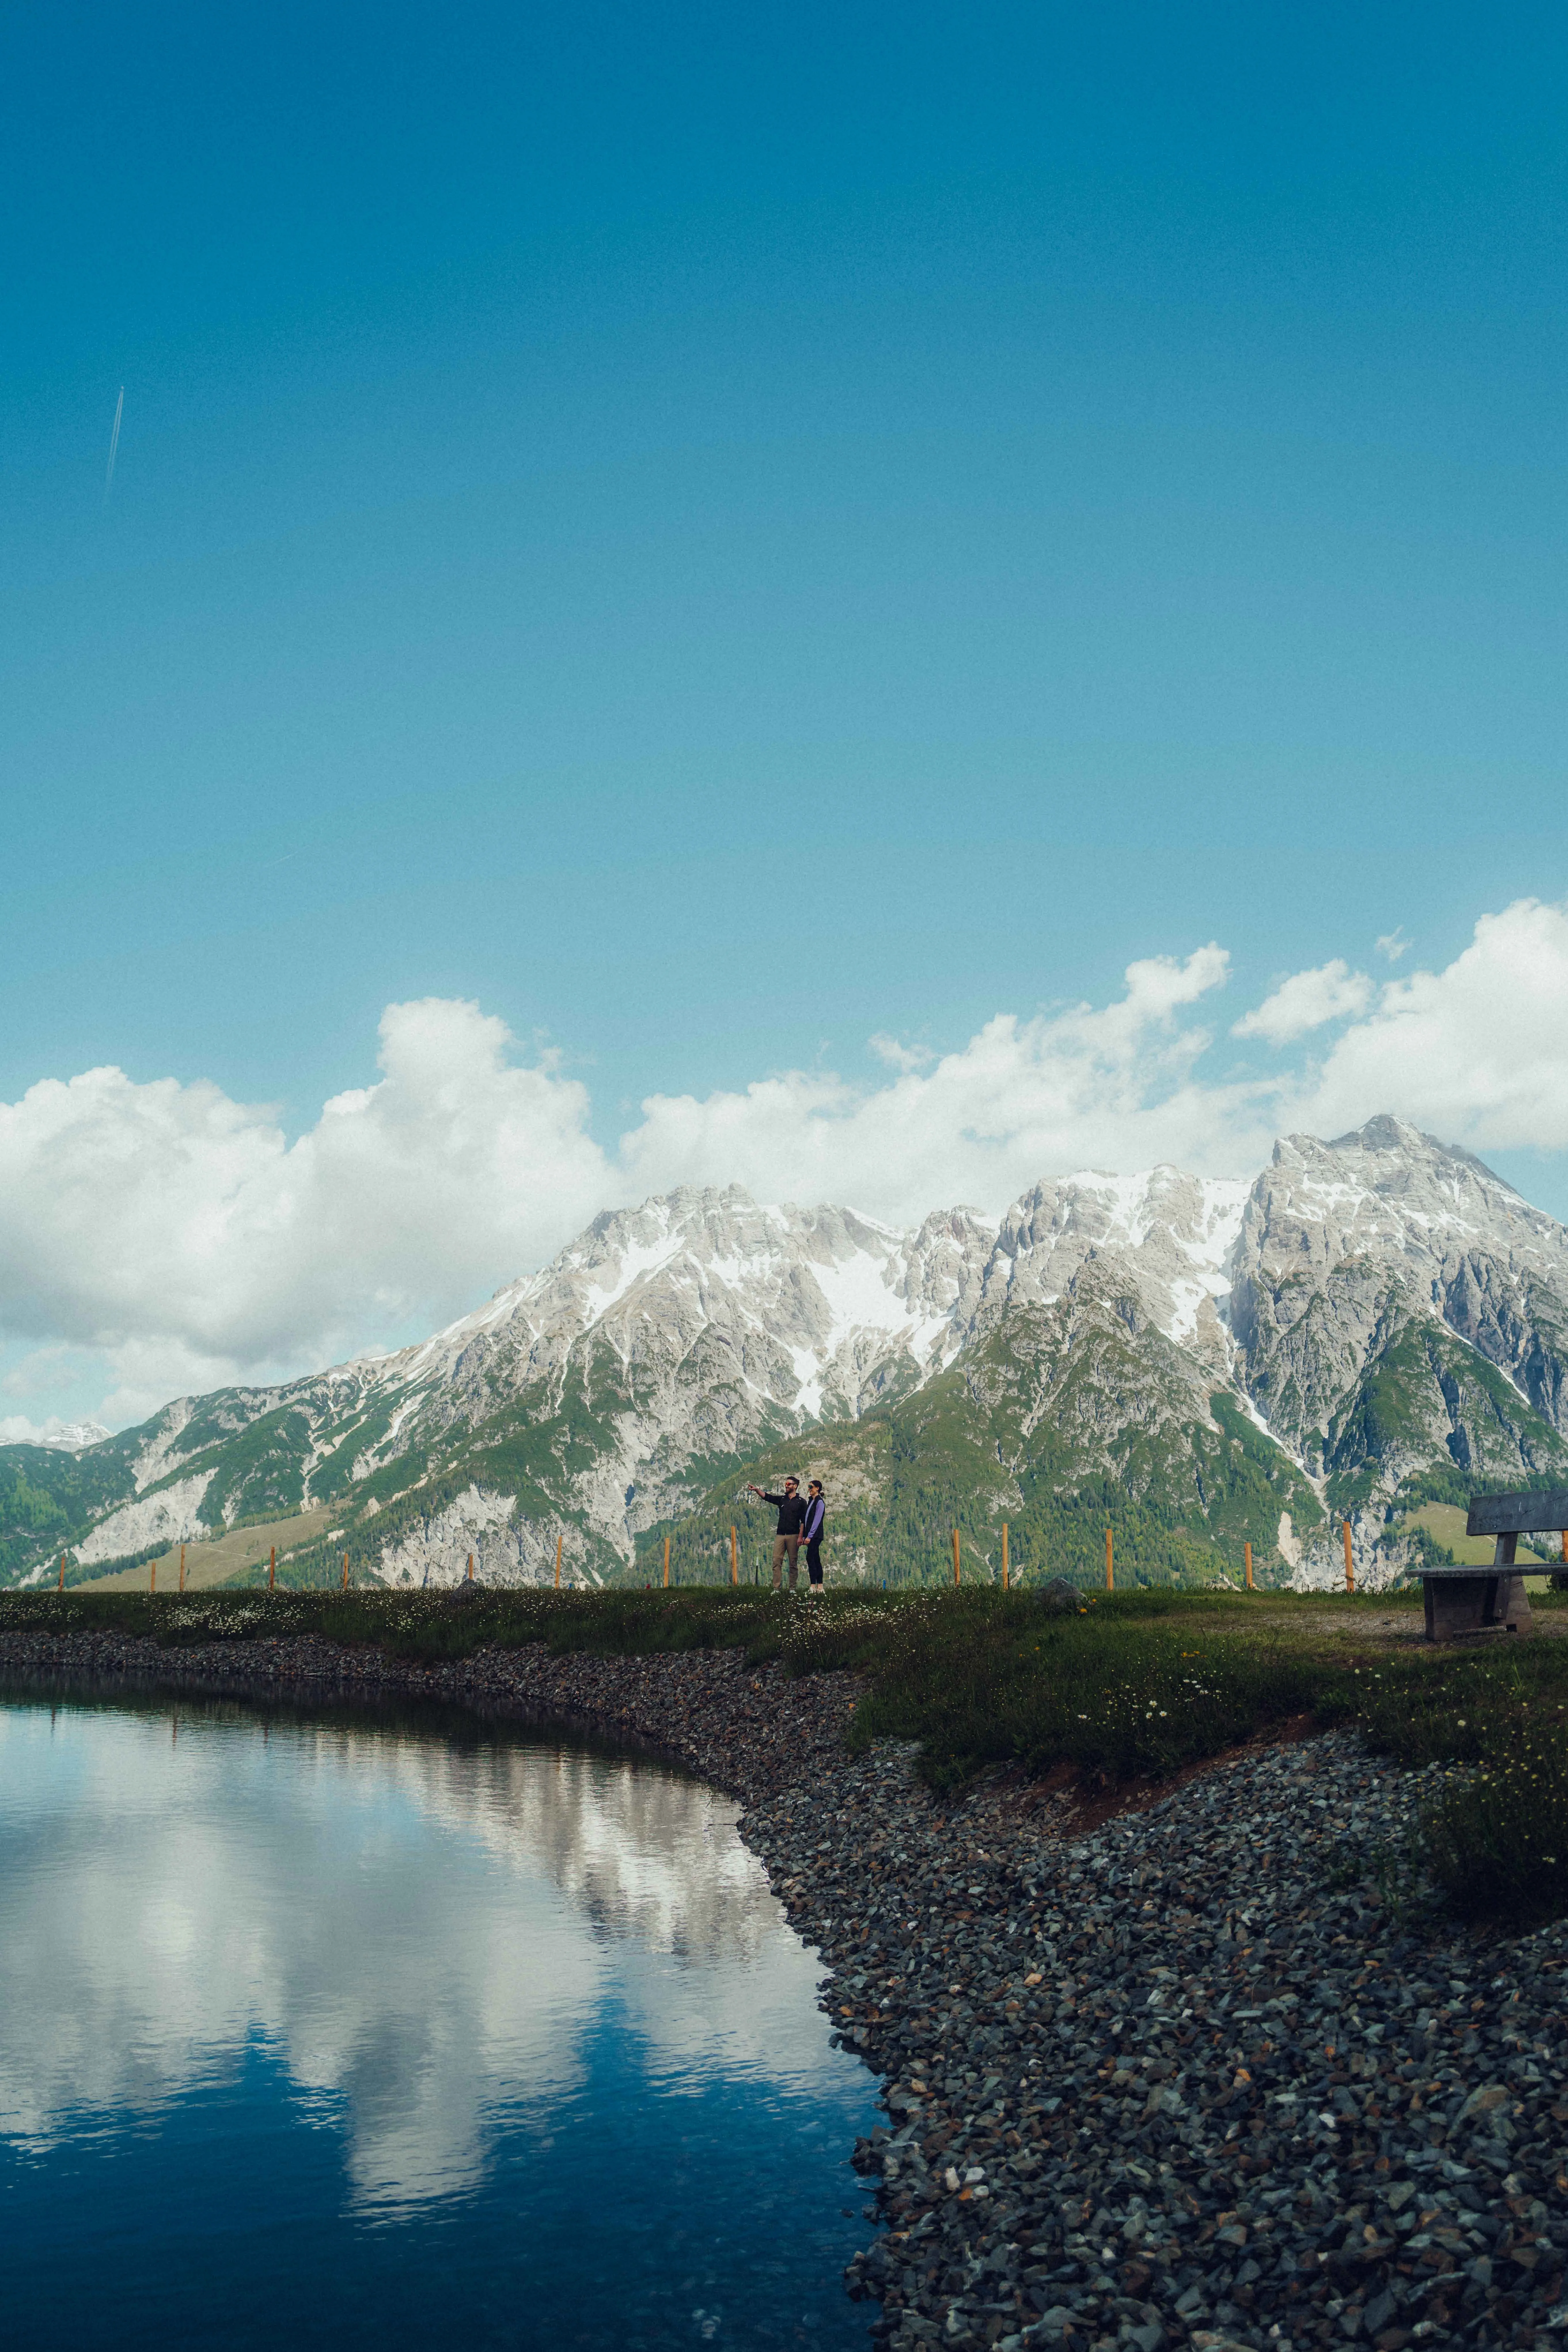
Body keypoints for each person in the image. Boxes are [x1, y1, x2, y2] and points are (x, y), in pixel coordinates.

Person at [748, 1475, 808, 1591]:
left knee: (793, 1563)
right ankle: (777, 1588)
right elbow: (768, 1497)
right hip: (780, 1535)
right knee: (776, 1561)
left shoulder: (802, 1502)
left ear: (795, 1486)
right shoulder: (782, 1499)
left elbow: (803, 1521)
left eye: (789, 1484)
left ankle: (792, 1589)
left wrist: (801, 1537)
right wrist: (757, 1490)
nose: (786, 1486)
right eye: (786, 1484)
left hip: (794, 1536)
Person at [801, 1480, 826, 1598]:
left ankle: (813, 1586)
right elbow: (807, 1520)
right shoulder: (812, 1501)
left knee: (810, 1557)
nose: (809, 1489)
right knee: (816, 1559)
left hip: (815, 1536)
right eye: (809, 1487)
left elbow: (817, 1521)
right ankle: (820, 1587)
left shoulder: (820, 1502)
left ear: (817, 1488)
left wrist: (810, 1536)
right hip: (811, 1535)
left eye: (811, 1487)